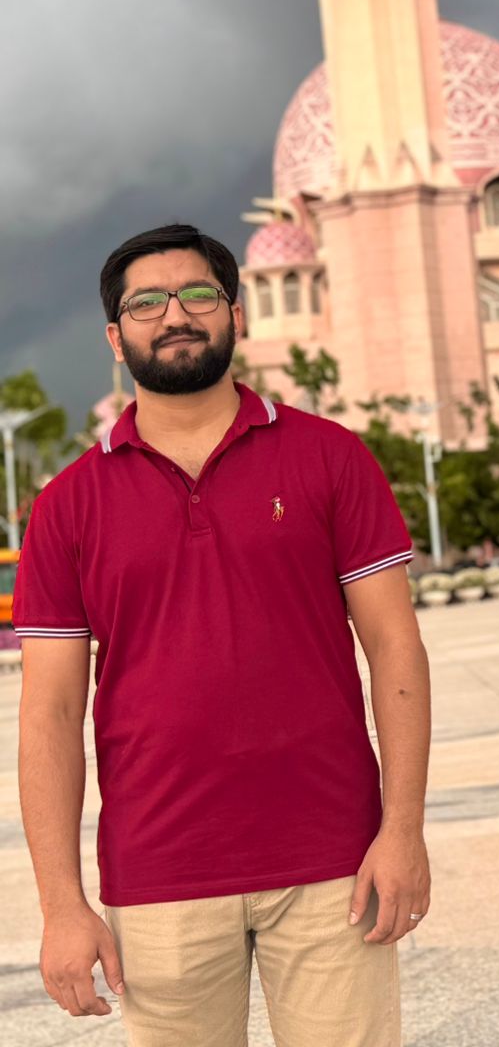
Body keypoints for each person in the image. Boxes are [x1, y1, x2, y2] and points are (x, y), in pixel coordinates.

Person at [15, 223, 430, 1045]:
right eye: (147, 303)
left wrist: (403, 830)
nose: (176, 315)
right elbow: (50, 713)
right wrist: (61, 905)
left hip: (334, 861)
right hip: (160, 873)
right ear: (115, 337)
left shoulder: (330, 457)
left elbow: (395, 649)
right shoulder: (68, 505)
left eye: (198, 294)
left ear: (235, 314)